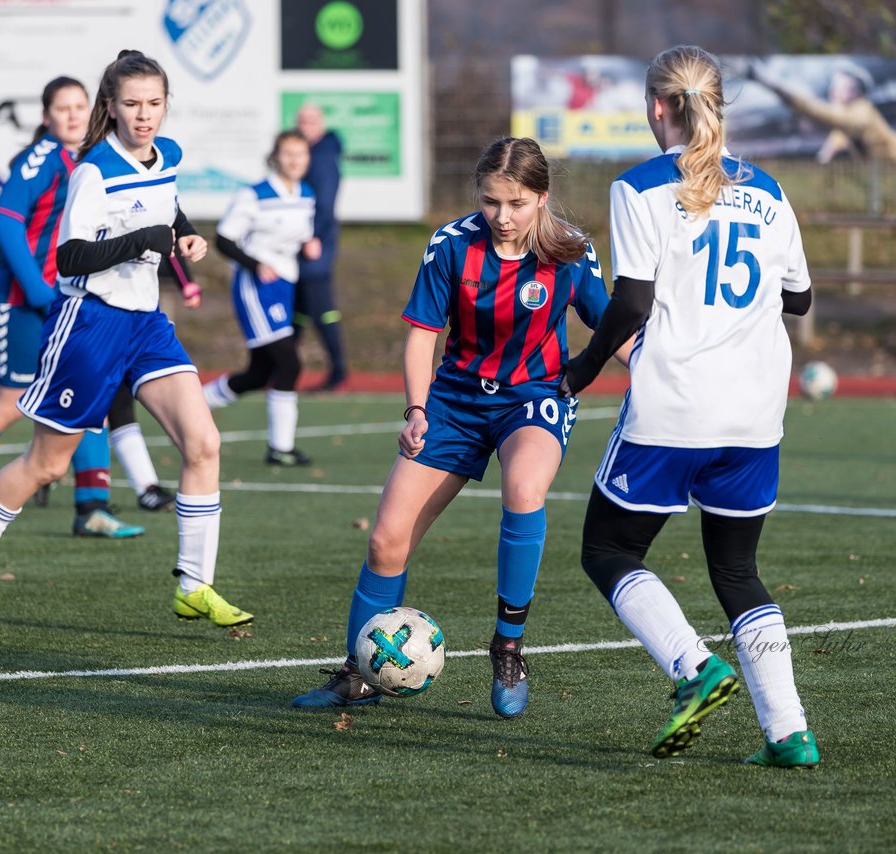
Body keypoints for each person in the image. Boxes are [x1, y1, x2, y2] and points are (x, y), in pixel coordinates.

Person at [559, 46, 820, 767]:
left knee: (609, 551)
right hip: (756, 413)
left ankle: (693, 668)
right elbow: (799, 298)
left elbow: (633, 300)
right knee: (737, 571)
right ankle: (789, 733)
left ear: (656, 108)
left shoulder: (640, 188)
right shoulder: (767, 188)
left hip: (675, 406)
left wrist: (583, 366)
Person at [293, 137, 617, 718]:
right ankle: (359, 672)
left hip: (533, 400)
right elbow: (422, 334)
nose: (502, 216)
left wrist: (655, 372)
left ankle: (508, 647)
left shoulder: (570, 250)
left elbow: (614, 326)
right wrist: (417, 410)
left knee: (523, 491)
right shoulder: (451, 244)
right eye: (491, 201)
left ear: (541, 198)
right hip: (455, 402)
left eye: (516, 203)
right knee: (385, 539)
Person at [0, 50, 251, 634]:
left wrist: (184, 235)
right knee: (47, 464)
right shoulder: (92, 170)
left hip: (147, 325)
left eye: (154, 103)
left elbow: (165, 202)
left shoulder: (169, 154)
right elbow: (69, 256)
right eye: (131, 104)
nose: (144, 115)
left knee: (203, 443)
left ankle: (194, 585)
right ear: (111, 106)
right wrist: (144, 239)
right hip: (90, 324)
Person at [0, 77, 156, 542]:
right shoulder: (42, 157)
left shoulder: (97, 158)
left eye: (79, 106)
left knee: (92, 395)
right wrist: (40, 291)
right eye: (61, 108)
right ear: (46, 117)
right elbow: (5, 221)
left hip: (71, 303)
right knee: (11, 402)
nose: (71, 115)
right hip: (25, 301)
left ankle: (92, 508)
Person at [202, 129, 319, 466]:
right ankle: (280, 448)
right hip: (256, 287)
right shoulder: (254, 196)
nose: (295, 161)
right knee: (289, 362)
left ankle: (193, 404)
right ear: (275, 157)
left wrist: (309, 245)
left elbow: (300, 236)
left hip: (286, 286)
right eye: (288, 154)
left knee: (258, 373)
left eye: (301, 154)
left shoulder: (306, 193)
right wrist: (255, 264)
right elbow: (224, 240)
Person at [293, 103, 348, 390]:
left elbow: (324, 204)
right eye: (301, 121)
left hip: (315, 245)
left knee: (320, 305)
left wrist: (312, 236)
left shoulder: (323, 157)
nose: (305, 127)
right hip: (300, 243)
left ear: (321, 124)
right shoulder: (306, 154)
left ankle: (339, 370)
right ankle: (283, 368)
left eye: (311, 122)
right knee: (299, 306)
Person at [750, 61, 896, 164]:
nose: (833, 93)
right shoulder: (847, 124)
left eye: (841, 88)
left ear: (857, 93)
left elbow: (822, 113)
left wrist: (775, 87)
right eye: (834, 87)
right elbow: (827, 154)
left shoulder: (860, 115)